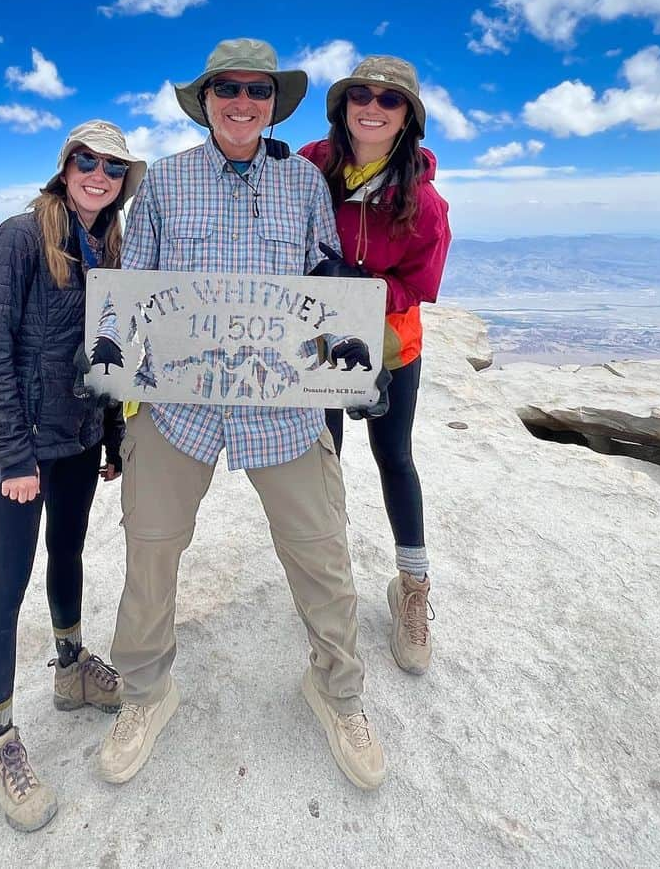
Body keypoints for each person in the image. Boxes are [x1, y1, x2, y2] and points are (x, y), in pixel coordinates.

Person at [95, 39, 386, 792]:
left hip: (282, 407)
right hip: (179, 404)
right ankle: (146, 693)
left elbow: (326, 290)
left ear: (272, 102)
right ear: (208, 97)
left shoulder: (302, 183)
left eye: (259, 90)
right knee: (150, 552)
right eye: (229, 87)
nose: (243, 101)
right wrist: (110, 383)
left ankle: (337, 690)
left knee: (322, 554)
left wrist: (355, 364)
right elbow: (137, 286)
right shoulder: (163, 181)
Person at [0, 119, 147, 831]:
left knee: (68, 554)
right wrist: (13, 456)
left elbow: (107, 354)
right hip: (25, 449)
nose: (98, 174)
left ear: (123, 181)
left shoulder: (110, 246)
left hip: (76, 441)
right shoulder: (18, 237)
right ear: (64, 167)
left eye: (112, 166)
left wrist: (109, 433)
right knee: (7, 585)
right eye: (86, 160)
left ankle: (70, 666)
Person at [300, 56, 451, 676]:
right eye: (360, 94)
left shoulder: (425, 200)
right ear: (342, 107)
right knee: (321, 458)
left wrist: (354, 286)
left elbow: (421, 282)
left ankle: (412, 587)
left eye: (389, 100)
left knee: (394, 457)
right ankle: (330, 582)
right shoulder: (312, 165)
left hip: (388, 344)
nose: (372, 105)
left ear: (407, 116)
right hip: (314, 342)